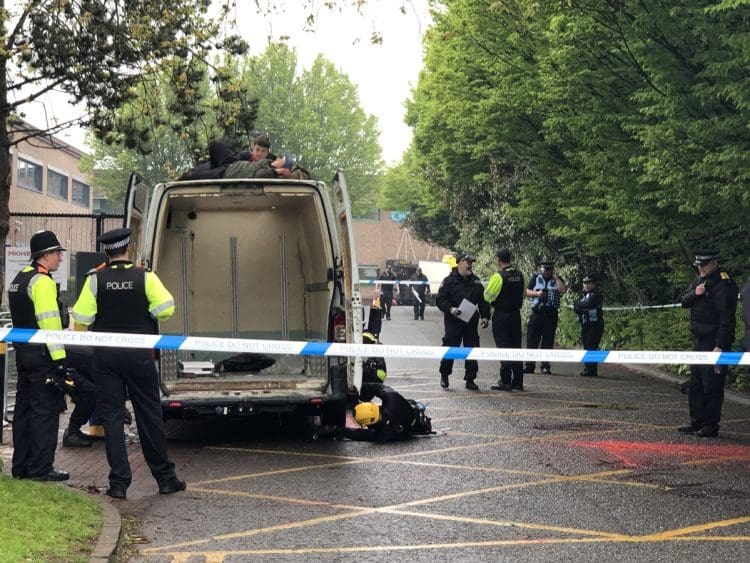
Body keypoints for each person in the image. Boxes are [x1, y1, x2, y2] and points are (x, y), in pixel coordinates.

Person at [71, 228, 186, 498]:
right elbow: (166, 308)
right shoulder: (145, 276)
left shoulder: (95, 279)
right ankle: (165, 479)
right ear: (129, 249)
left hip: (106, 357)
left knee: (112, 418)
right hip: (138, 355)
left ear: (106, 253)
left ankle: (119, 484)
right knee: (149, 415)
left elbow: (82, 316)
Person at [7, 230, 70, 481]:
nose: (60, 259)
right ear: (45, 255)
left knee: (23, 412)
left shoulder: (19, 279)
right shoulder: (42, 282)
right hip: (42, 356)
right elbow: (50, 325)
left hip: (23, 353)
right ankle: (41, 468)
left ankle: (20, 466)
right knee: (45, 412)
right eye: (57, 254)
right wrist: (60, 361)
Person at [678, 250, 737, 438]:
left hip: (714, 341)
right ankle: (697, 422)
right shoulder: (698, 281)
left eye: (704, 265)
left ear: (714, 263)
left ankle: (711, 425)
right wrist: (696, 293)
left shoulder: (723, 284)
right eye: (698, 265)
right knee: (695, 384)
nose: (700, 268)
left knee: (711, 384)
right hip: (699, 339)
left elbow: (726, 318)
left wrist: (720, 345)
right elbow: (684, 301)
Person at [436, 254, 490, 390]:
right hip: (453, 320)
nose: (470, 265)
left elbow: (483, 301)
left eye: (471, 263)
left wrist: (485, 316)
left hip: (470, 321)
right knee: (450, 348)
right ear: (460, 263)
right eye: (468, 262)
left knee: (471, 349)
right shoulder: (449, 281)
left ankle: (470, 379)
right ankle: (444, 375)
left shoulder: (476, 281)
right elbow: (440, 299)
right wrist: (450, 309)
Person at [484, 249, 525, 391]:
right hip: (515, 316)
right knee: (516, 348)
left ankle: (506, 381)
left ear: (498, 260)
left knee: (504, 348)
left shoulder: (498, 276)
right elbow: (523, 294)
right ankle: (518, 382)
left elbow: (487, 297)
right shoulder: (519, 275)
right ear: (510, 258)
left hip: (502, 316)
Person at [345, 382, 432, 442]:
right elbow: (380, 387)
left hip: (411, 423)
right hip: (408, 409)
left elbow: (362, 435)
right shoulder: (391, 398)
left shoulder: (386, 433)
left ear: (371, 421)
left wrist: (337, 430)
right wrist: (360, 388)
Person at [524, 260, 567, 375]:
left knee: (548, 341)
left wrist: (557, 278)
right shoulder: (535, 277)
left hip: (551, 315)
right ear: (542, 269)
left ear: (553, 269)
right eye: (545, 269)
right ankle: (529, 365)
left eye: (549, 269)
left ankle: (545, 366)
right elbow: (527, 292)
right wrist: (537, 294)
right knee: (532, 340)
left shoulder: (557, 279)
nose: (547, 271)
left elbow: (562, 290)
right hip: (537, 314)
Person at [573, 275, 604, 377]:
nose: (586, 285)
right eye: (585, 283)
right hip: (585, 324)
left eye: (589, 283)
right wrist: (582, 306)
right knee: (586, 346)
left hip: (595, 325)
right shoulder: (581, 294)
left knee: (592, 346)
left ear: (593, 284)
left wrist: (581, 306)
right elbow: (576, 306)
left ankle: (592, 370)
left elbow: (588, 303)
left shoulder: (597, 295)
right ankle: (587, 369)